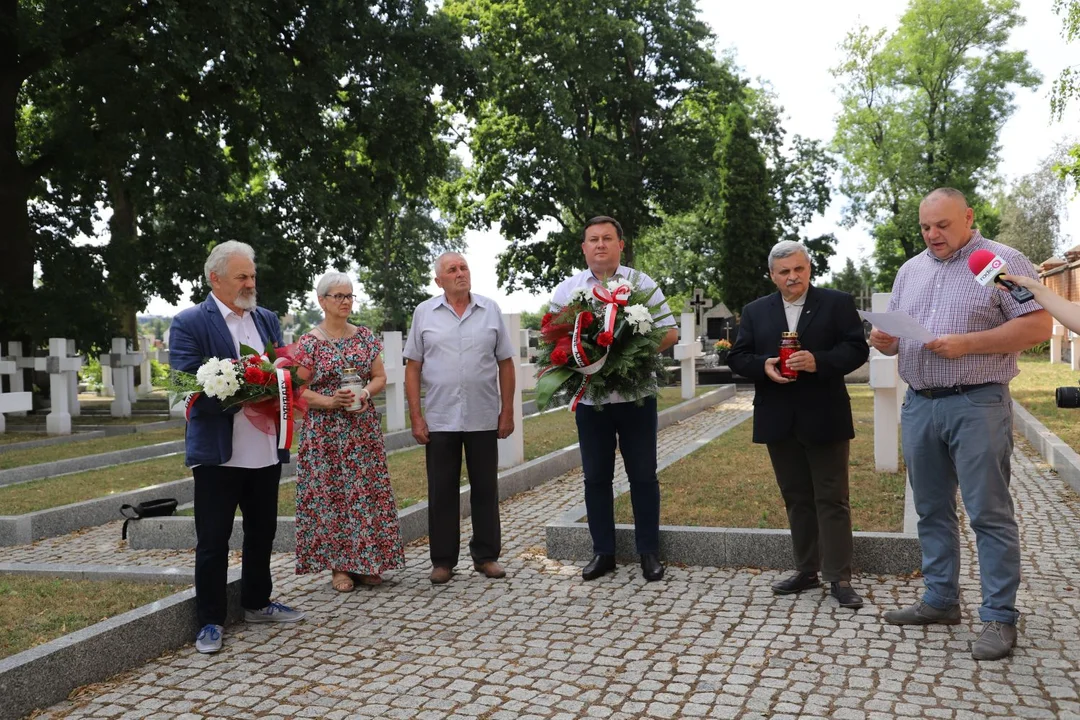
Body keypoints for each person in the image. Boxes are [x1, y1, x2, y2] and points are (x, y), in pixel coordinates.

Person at [869, 188, 1051, 661]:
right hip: (921, 404)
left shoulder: (997, 262)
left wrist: (968, 344)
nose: (933, 235)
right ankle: (940, 600)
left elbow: (1036, 328)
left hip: (977, 403)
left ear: (968, 217)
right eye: (926, 227)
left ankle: (999, 617)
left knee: (988, 513)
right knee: (931, 510)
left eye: (943, 226)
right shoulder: (911, 269)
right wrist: (884, 340)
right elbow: (895, 343)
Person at [169, 241, 305, 655]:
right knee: (213, 537)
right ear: (216, 279)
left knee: (261, 531)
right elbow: (186, 380)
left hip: (264, 445)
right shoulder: (190, 321)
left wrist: (286, 381)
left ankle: (257, 602)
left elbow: (282, 370)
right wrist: (245, 387)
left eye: (253, 276)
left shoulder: (266, 318)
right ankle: (210, 620)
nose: (250, 283)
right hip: (218, 450)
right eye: (242, 276)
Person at [727, 240, 870, 609]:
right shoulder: (756, 311)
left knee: (832, 498)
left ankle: (839, 577)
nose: (793, 277)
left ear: (809, 268)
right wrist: (765, 365)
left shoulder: (836, 302)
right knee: (796, 498)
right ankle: (806, 569)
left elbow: (857, 349)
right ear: (773, 276)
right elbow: (738, 357)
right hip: (778, 417)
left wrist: (818, 361)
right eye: (785, 272)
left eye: (799, 269)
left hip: (825, 415)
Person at [550, 216, 678, 583]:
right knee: (595, 478)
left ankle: (648, 553)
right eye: (593, 239)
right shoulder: (567, 290)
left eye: (608, 238)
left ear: (621, 244)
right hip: (592, 401)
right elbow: (555, 341)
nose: (600, 245)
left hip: (636, 396)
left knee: (643, 476)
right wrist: (590, 359)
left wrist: (629, 352)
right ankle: (602, 552)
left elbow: (668, 331)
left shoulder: (641, 283)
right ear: (584, 247)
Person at [404, 252, 516, 584]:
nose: (460, 273)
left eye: (464, 267)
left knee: (485, 488)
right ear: (439, 281)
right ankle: (442, 561)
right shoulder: (424, 313)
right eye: (452, 270)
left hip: (483, 415)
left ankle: (486, 556)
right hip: (440, 418)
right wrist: (415, 416)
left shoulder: (490, 309)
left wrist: (507, 411)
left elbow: (506, 363)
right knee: (441, 491)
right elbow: (413, 367)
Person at [294, 272, 405, 593]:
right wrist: (330, 401)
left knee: (365, 493)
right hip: (326, 434)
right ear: (322, 301)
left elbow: (379, 376)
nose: (345, 302)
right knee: (333, 495)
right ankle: (339, 568)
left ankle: (367, 562)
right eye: (338, 296)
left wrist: (365, 394)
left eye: (349, 296)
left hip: (362, 430)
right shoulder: (310, 342)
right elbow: (298, 390)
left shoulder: (364, 337)